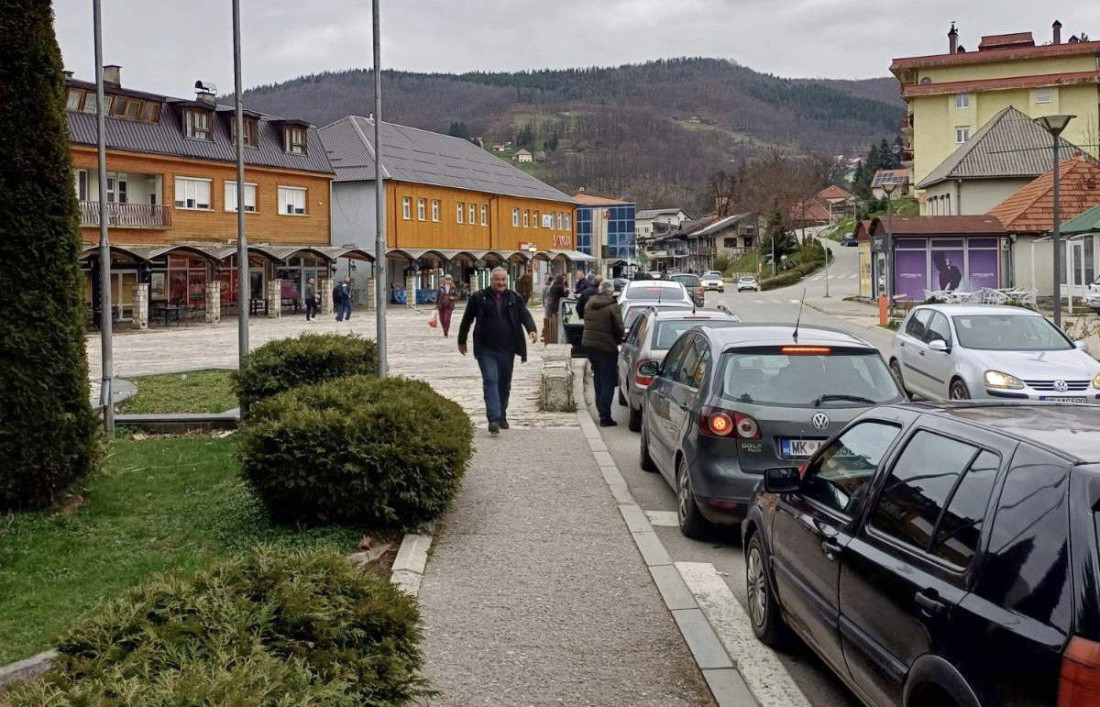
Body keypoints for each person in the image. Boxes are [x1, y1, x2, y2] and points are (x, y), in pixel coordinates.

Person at [458, 267, 538, 436]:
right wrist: (461, 340)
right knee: (490, 380)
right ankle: (493, 419)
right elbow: (467, 319)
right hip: (486, 349)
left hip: (507, 349)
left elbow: (524, 315)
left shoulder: (513, 297)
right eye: (497, 280)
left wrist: (532, 329)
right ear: (492, 280)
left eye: (503, 280)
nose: (501, 283)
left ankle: (502, 414)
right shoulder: (479, 297)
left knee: (504, 384)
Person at [582, 279, 624, 427]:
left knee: (598, 378)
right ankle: (605, 417)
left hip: (590, 346)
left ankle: (600, 410)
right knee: (608, 381)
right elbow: (619, 328)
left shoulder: (590, 302)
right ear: (611, 291)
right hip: (607, 348)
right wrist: (618, 341)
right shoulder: (613, 306)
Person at [542, 274, 566, 344]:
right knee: (556, 321)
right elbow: (563, 296)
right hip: (557, 306)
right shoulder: (560, 287)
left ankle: (549, 335)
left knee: (551, 320)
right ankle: (554, 336)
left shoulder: (553, 286)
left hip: (551, 306)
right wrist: (566, 291)